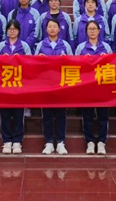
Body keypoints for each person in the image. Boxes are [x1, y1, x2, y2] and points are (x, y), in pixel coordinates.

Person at [35, 18, 73, 155]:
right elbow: (33, 66)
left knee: (61, 115)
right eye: (49, 27)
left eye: (54, 27)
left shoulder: (65, 45)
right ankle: (49, 142)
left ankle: (61, 142)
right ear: (46, 29)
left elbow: (73, 64)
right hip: (45, 86)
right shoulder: (40, 45)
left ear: (59, 29)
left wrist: (66, 60)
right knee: (47, 115)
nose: (52, 29)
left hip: (61, 85)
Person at [75, 20, 113, 155]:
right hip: (87, 87)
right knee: (88, 116)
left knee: (103, 116)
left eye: (94, 29)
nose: (92, 31)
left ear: (99, 31)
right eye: (89, 29)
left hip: (102, 87)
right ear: (86, 32)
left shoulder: (106, 47)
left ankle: (102, 141)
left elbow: (113, 65)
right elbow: (75, 67)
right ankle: (90, 142)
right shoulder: (80, 48)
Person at [0, 19, 31, 154]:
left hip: (19, 85)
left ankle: (17, 141)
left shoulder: (24, 46)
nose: (12, 31)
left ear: (18, 31)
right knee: (4, 114)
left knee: (18, 114)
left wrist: (21, 60)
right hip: (4, 86)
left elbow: (30, 64)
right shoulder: (0, 46)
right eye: (10, 29)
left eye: (14, 29)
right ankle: (6, 141)